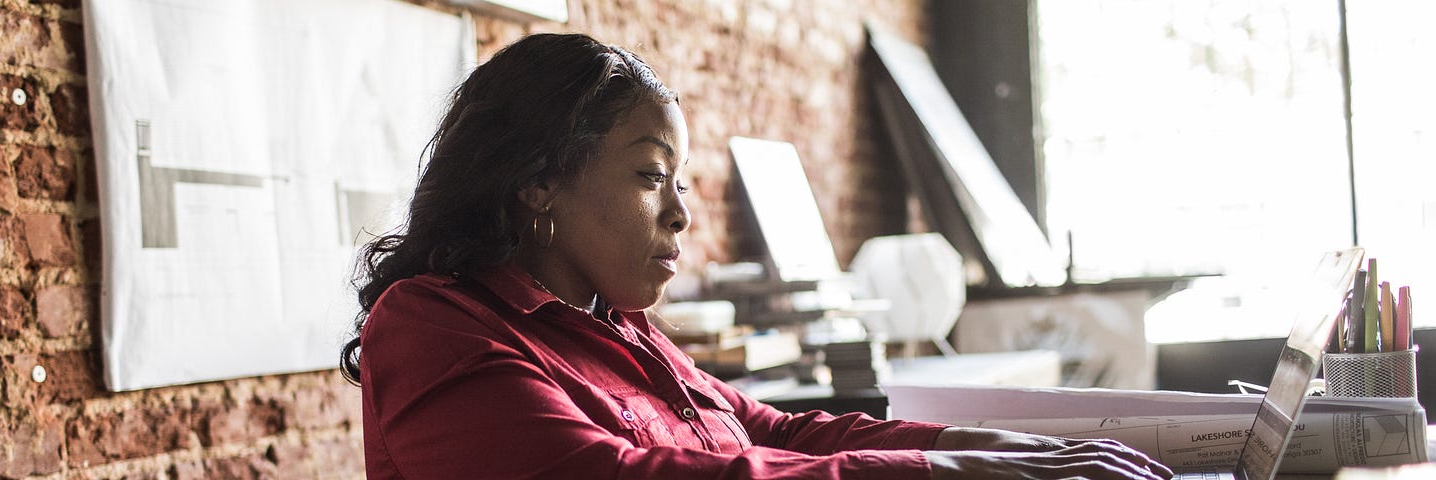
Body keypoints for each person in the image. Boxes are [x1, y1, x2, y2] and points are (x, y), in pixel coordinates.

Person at [340, 32, 1172, 479]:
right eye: (649, 176)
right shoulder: (432, 327)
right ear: (538, 182)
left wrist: (993, 447)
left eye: (682, 180)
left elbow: (771, 429)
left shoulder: (617, 327)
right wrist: (944, 471)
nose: (682, 212)